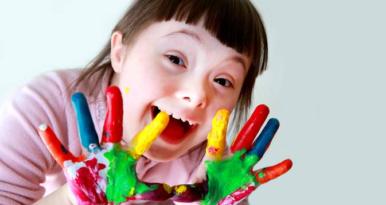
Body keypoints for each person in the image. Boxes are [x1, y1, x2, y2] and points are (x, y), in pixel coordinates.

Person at [0, 0, 276, 204]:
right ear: (120, 51)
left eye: (223, 81)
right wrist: (73, 199)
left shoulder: (210, 169)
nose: (197, 95)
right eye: (175, 59)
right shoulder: (48, 107)